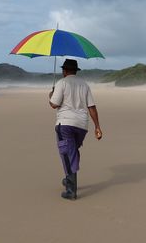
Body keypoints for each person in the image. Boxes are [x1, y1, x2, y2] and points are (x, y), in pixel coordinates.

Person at [49, 59, 102, 200]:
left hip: (65, 123)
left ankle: (71, 190)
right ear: (75, 70)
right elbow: (92, 107)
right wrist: (97, 126)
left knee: (67, 153)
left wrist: (50, 96)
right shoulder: (84, 85)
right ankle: (68, 179)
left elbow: (54, 104)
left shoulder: (62, 83)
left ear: (64, 70)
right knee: (72, 151)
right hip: (82, 125)